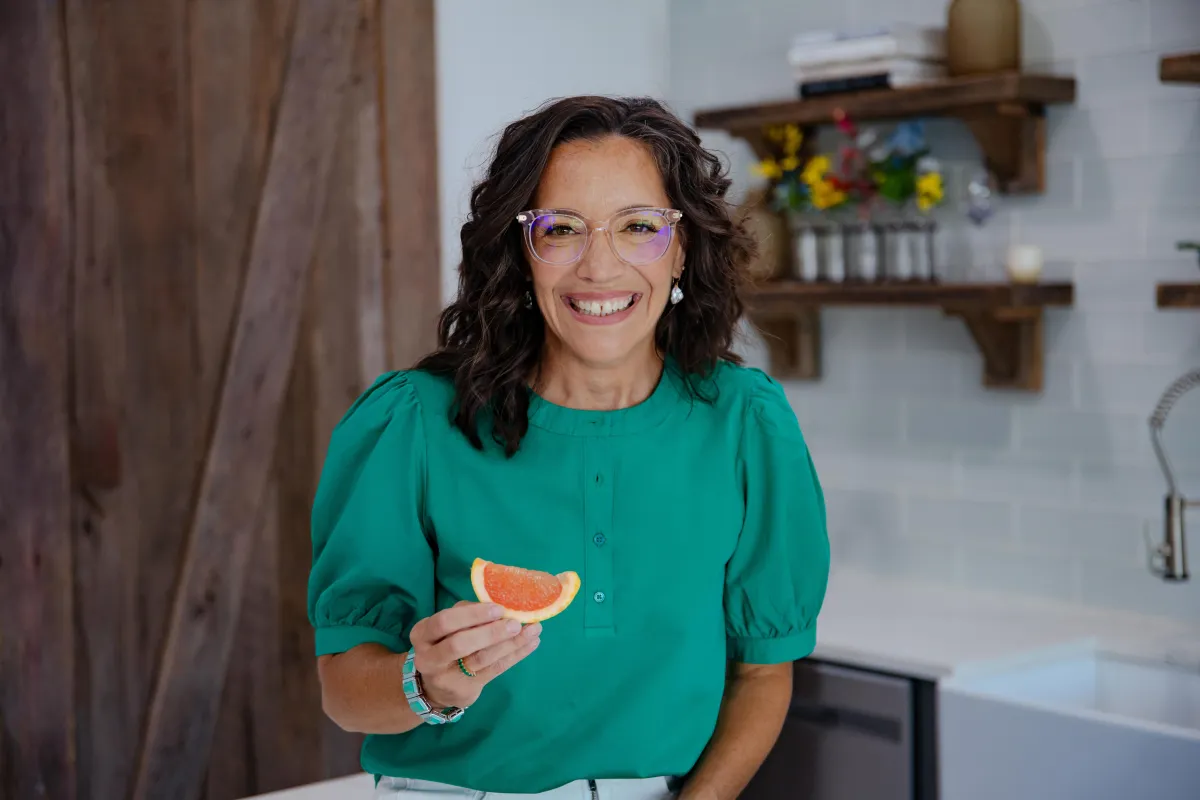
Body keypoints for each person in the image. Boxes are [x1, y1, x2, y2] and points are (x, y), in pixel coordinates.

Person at [308, 95, 830, 800]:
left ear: (681, 250)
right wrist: (426, 683)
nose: (600, 267)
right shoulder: (412, 423)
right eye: (562, 230)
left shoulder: (745, 422)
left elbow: (763, 672)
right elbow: (345, 690)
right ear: (523, 255)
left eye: (638, 227)